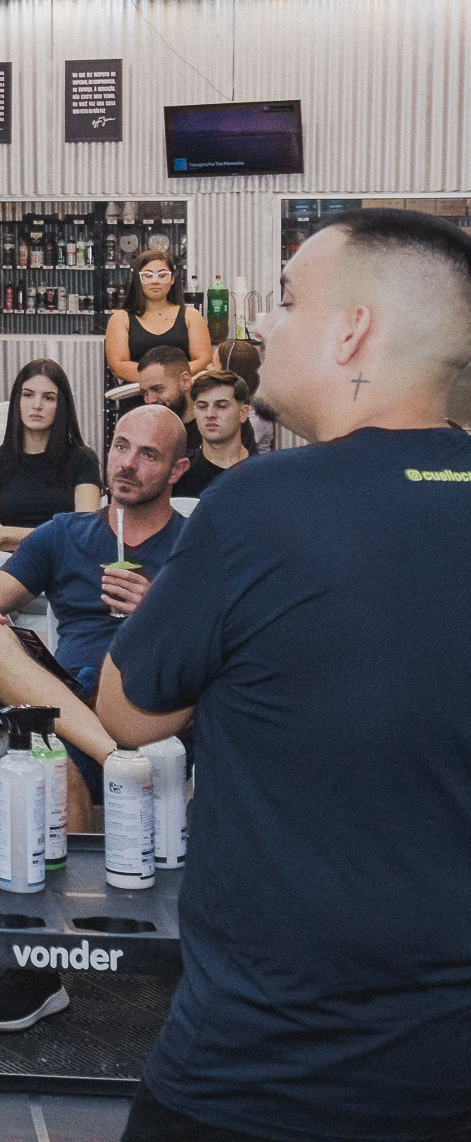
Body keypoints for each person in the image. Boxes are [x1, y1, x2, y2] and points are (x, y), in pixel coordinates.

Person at [96, 209, 471, 1141]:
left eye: (290, 299)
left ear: (353, 331)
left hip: (264, 1063)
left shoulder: (258, 506)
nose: (263, 322)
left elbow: (128, 711)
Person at [0, 404, 191, 1036]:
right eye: (121, 447)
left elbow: (229, 642)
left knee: (49, 750)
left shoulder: (197, 547)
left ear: (178, 470)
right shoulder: (65, 534)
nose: (127, 464)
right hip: (69, 704)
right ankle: (45, 965)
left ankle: (42, 961)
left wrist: (159, 608)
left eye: (149, 455)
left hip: (158, 709)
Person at [0, 359, 101, 555]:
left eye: (49, 398)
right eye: (28, 395)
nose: (37, 405)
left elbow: (84, 535)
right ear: (17, 401)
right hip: (8, 565)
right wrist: (55, 536)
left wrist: (6, 534)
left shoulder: (83, 459)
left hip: (64, 561)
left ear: (61, 405)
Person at [105, 248, 213, 384]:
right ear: (139, 279)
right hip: (136, 393)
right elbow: (118, 366)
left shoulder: (191, 317)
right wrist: (159, 380)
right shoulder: (120, 319)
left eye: (162, 275)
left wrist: (169, 380)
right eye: (148, 275)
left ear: (172, 279)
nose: (155, 281)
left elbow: (204, 361)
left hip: (181, 393)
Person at [171, 370, 253, 499]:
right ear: (195, 411)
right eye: (202, 406)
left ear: (243, 413)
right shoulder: (178, 473)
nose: (210, 414)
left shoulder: (265, 474)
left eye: (221, 406)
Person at [136, 344, 193, 418]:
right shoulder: (143, 424)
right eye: (144, 393)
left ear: (185, 381)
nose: (150, 400)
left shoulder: (207, 421)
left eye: (158, 389)